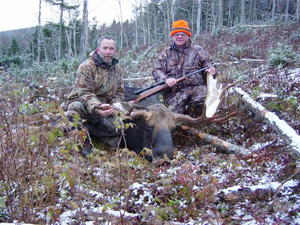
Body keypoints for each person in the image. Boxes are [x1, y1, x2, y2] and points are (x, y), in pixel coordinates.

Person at [65, 35, 125, 152]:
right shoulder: (86, 67)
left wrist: (114, 106)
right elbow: (84, 92)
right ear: (98, 50)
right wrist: (97, 107)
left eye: (111, 49)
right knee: (74, 109)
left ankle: (88, 128)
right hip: (83, 103)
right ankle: (84, 145)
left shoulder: (118, 70)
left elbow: (119, 93)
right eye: (105, 48)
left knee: (120, 128)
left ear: (115, 51)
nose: (108, 52)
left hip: (105, 107)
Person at [152, 20, 216, 117]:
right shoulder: (166, 54)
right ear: (172, 36)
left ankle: (196, 122)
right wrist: (165, 79)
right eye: (177, 34)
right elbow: (156, 70)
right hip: (175, 92)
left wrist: (212, 70)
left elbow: (209, 65)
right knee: (170, 115)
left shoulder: (198, 50)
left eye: (183, 34)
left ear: (188, 36)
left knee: (200, 101)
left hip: (197, 89)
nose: (180, 37)